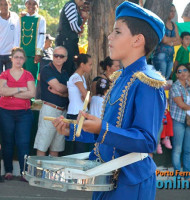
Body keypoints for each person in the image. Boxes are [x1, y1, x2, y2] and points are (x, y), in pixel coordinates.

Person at [53, 2, 166, 199]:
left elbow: (147, 141)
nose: (109, 36)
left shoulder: (147, 82)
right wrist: (73, 130)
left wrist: (101, 129)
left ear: (137, 40)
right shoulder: (119, 78)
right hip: (105, 178)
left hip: (130, 183)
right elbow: (109, 136)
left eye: (117, 32)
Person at [0, 47, 35, 181]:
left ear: (24, 60)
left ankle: (24, 172)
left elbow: (31, 93)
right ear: (12, 59)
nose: (19, 60)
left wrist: (10, 91)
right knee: (7, 142)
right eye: (16, 57)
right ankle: (8, 171)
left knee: (23, 143)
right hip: (5, 112)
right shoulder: (4, 74)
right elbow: (2, 92)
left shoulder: (28, 75)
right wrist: (20, 89)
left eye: (21, 58)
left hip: (24, 114)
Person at [34, 46, 69, 157]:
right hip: (49, 110)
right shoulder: (46, 69)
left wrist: (60, 92)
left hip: (62, 112)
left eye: (61, 56)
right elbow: (59, 87)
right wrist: (63, 90)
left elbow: (68, 92)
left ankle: (52, 174)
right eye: (55, 55)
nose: (58, 58)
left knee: (56, 148)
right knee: (42, 145)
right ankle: (39, 173)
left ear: (65, 59)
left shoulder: (64, 73)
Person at [169, 64, 190, 180]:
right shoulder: (175, 86)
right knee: (177, 149)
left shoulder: (189, 86)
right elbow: (181, 105)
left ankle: (187, 174)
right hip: (178, 120)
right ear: (177, 75)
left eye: (185, 70)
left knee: (188, 150)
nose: (183, 73)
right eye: (180, 71)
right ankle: (177, 175)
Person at [67, 53, 92, 153]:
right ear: (82, 65)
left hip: (80, 113)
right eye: (89, 64)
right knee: (79, 146)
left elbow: (85, 97)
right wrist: (86, 96)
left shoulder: (82, 78)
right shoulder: (76, 77)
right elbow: (87, 98)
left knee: (81, 144)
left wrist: (86, 96)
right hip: (75, 114)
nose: (91, 67)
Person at [56, 0, 89, 77]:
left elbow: (79, 27)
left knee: (73, 66)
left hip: (71, 41)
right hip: (66, 41)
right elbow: (74, 27)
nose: (84, 3)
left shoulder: (76, 8)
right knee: (67, 66)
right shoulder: (71, 5)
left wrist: (84, 18)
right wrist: (80, 29)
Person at [15, 0, 46, 81]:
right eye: (29, 3)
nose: (31, 6)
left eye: (34, 4)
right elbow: (17, 36)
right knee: (19, 79)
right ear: (25, 4)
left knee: (31, 79)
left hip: (33, 56)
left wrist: (38, 53)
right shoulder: (21, 19)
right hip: (20, 55)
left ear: (37, 6)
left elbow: (42, 37)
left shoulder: (41, 19)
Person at [152, 4, 181, 80]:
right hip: (160, 55)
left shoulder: (174, 25)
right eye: (171, 11)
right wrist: (174, 39)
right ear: (166, 11)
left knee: (166, 80)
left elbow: (179, 40)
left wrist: (170, 42)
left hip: (170, 56)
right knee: (160, 80)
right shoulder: (161, 23)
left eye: (174, 11)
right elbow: (163, 39)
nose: (173, 13)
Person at [0, 0, 19, 74]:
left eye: (5, 4)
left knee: (11, 78)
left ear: (10, 5)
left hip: (11, 54)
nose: (3, 7)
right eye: (1, 4)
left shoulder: (15, 16)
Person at [36, 33, 55, 99]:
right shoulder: (38, 52)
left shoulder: (52, 51)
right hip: (40, 79)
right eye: (50, 40)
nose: (51, 42)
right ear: (44, 41)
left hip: (51, 79)